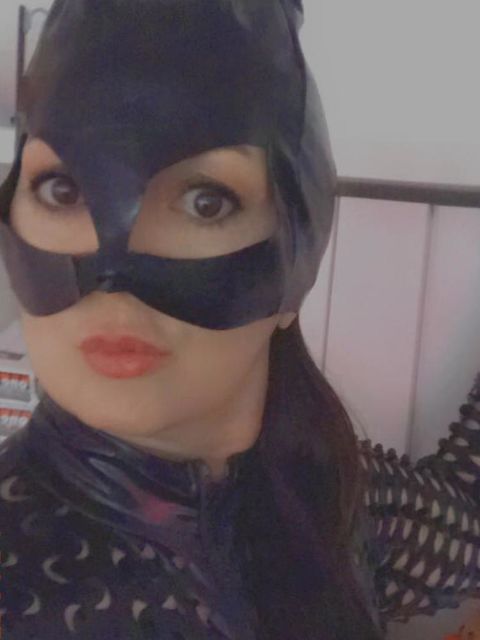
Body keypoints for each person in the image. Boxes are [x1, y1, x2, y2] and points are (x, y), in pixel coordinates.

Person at [0, 1, 479, 638]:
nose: (114, 282)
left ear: (297, 250)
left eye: (206, 201)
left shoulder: (335, 498)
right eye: (62, 189)